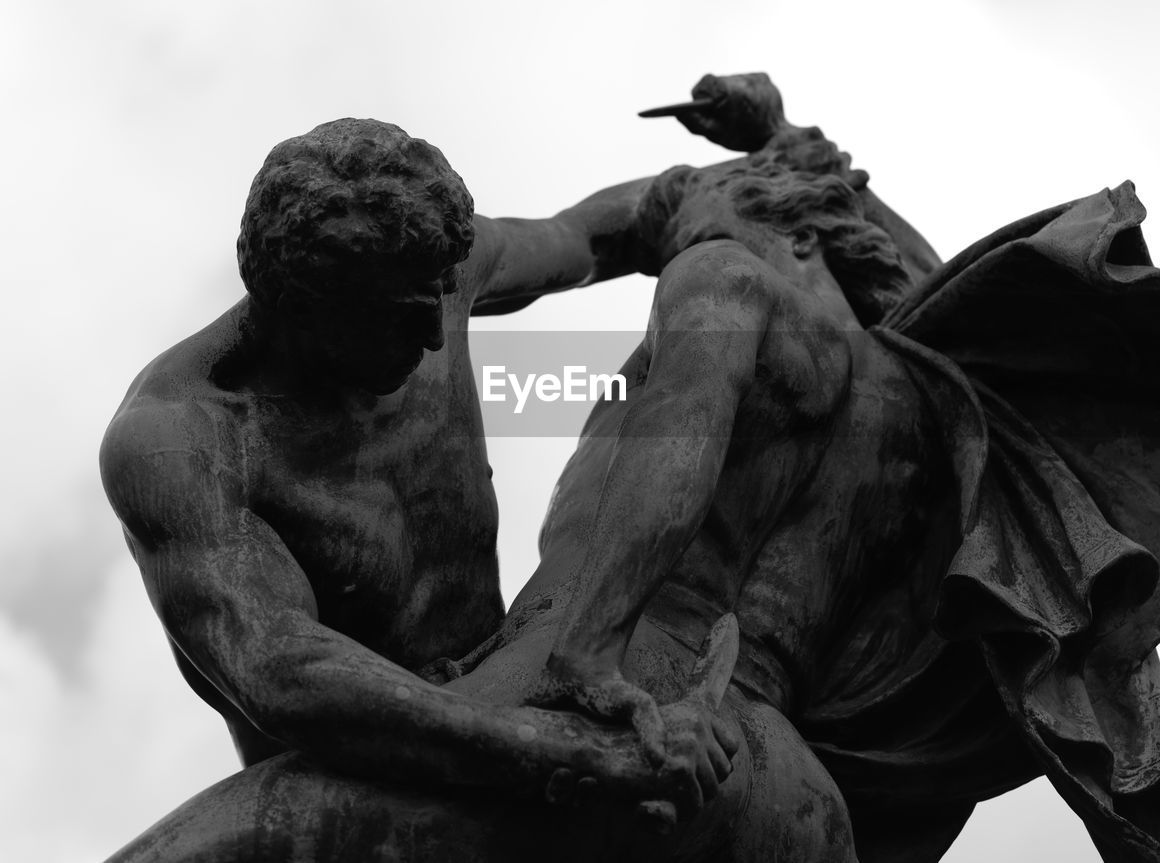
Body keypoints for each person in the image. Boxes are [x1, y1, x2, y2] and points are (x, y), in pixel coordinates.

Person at [98, 116, 739, 855]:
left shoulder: (430, 271)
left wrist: (720, 193)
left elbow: (591, 235)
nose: (440, 333)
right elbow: (284, 668)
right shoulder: (179, 442)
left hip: (518, 679)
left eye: (444, 294)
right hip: (367, 796)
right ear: (306, 312)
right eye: (407, 319)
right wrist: (570, 753)